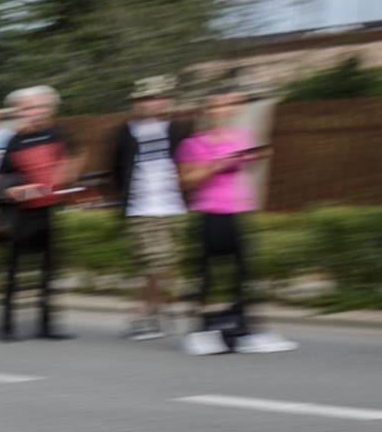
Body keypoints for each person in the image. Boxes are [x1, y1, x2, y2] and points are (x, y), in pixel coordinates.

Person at [175, 93, 293, 356]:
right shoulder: (193, 144)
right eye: (217, 106)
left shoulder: (241, 137)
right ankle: (199, 330)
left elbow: (246, 165)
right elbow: (187, 181)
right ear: (207, 111)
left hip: (238, 211)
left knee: (244, 272)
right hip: (210, 213)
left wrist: (257, 156)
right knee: (208, 274)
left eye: (228, 106)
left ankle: (243, 328)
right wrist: (217, 165)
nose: (223, 110)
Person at [0, 86, 82, 341]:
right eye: (30, 108)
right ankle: (6, 326)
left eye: (41, 107)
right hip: (19, 214)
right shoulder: (15, 140)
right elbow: (0, 182)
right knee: (13, 271)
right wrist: (17, 190)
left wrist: (67, 173)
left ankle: (46, 326)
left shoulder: (59, 134)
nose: (36, 112)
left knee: (48, 271)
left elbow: (76, 160)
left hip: (47, 211)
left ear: (51, 109)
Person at [109, 76, 189, 340]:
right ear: (136, 103)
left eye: (156, 98)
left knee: (165, 265)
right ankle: (144, 314)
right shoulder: (125, 132)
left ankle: (151, 314)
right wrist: (123, 198)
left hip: (173, 206)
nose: (151, 103)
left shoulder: (178, 129)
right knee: (156, 261)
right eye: (145, 99)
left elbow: (188, 162)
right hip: (141, 207)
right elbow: (116, 170)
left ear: (167, 101)